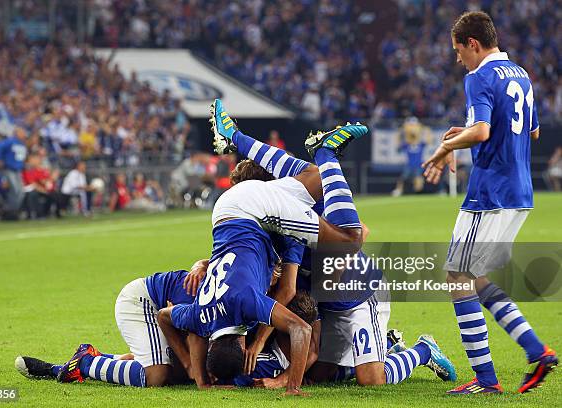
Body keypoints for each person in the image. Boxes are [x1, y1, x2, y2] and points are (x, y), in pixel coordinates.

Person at [214, 120, 456, 387]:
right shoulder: (257, 229)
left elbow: (360, 232)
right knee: (318, 375)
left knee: (372, 380)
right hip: (326, 303)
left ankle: (423, 350)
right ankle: (385, 346)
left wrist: (260, 342)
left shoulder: (293, 217)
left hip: (361, 295)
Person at [157, 99, 370, 396]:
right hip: (227, 209)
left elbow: (297, 320)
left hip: (251, 211)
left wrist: (291, 386)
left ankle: (324, 150)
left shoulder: (242, 303)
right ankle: (235, 136)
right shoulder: (199, 317)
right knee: (315, 177)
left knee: (350, 240)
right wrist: (199, 376)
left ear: (241, 343)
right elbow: (165, 316)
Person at [421, 11, 557, 395]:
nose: (457, 58)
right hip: (520, 192)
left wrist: (447, 145)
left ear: (473, 44)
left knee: (457, 277)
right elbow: (531, 131)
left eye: (458, 50)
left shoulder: (478, 77)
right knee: (477, 278)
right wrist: (460, 133)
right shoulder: (521, 75)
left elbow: (482, 131)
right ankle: (536, 351)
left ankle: (486, 379)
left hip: (489, 194)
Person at [15, 268, 197, 387]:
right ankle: (85, 361)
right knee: (157, 375)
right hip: (140, 302)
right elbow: (177, 326)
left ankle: (60, 368)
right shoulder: (208, 294)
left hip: (161, 312)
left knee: (179, 372)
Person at [0, 127, 28, 215]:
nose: (24, 134)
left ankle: (13, 210)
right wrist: (0, 159)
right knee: (15, 190)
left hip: (18, 170)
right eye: (22, 132)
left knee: (20, 191)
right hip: (9, 169)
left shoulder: (22, 144)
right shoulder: (10, 141)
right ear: (16, 133)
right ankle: (9, 210)